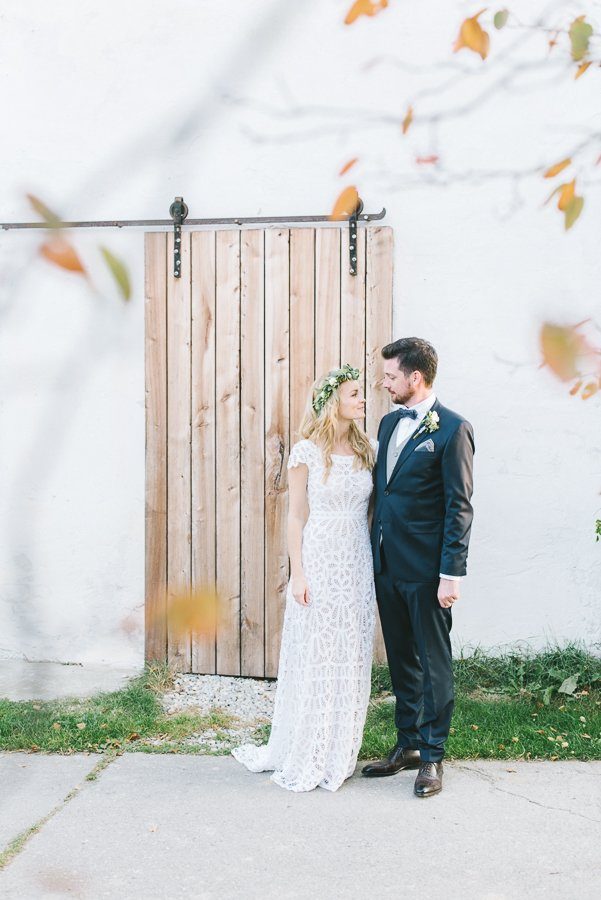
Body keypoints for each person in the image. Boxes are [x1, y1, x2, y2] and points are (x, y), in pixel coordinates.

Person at [232, 363, 377, 792]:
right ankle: (307, 745)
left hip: (356, 558)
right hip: (319, 555)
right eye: (354, 394)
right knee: (316, 650)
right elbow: (296, 516)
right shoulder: (305, 451)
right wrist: (298, 572)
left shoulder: (367, 447)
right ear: (335, 401)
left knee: (349, 649)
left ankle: (339, 749)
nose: (362, 400)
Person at [362, 338, 475, 797]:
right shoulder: (389, 424)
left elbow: (459, 506)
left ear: (415, 377)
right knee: (402, 659)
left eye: (390, 376)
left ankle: (432, 755)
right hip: (387, 563)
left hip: (428, 571)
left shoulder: (452, 429)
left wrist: (452, 573)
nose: (383, 383)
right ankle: (407, 744)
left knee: (433, 663)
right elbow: (383, 494)